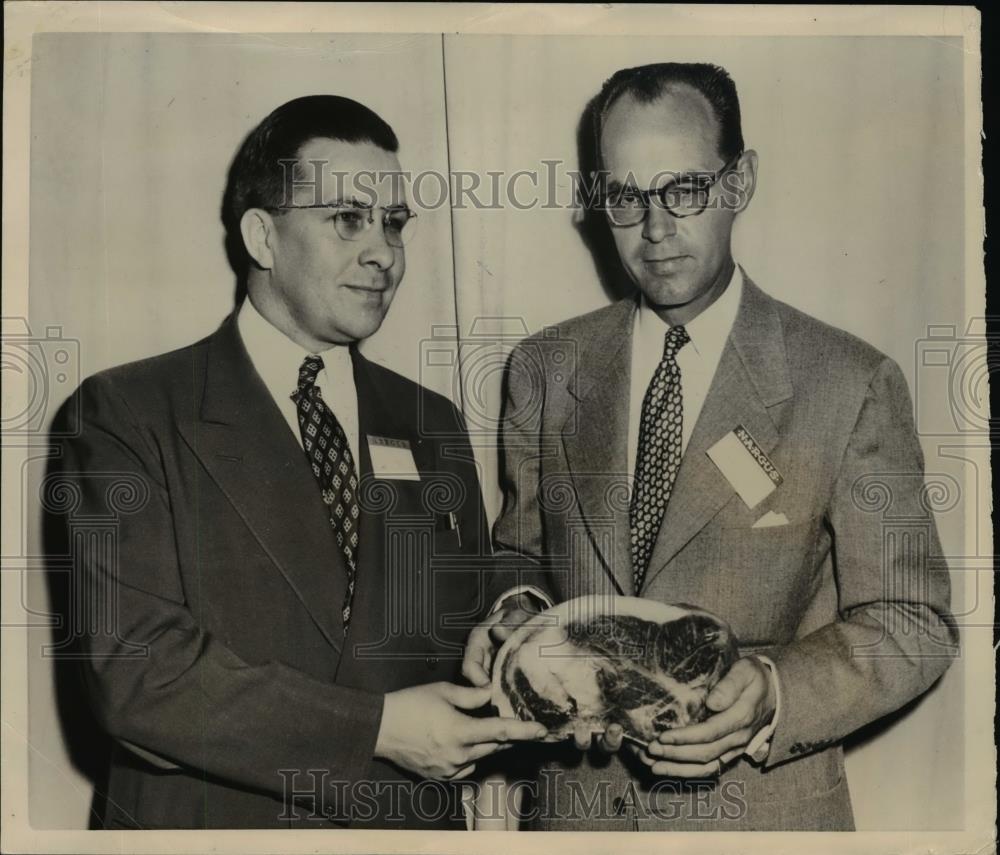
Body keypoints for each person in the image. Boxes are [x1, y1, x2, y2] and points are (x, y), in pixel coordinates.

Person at [463, 62, 958, 831]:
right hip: (577, 816)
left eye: (683, 190)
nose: (654, 230)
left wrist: (773, 689)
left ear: (740, 181)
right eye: (626, 197)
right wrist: (515, 622)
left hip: (763, 818)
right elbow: (521, 556)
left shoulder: (849, 383)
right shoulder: (545, 368)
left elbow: (914, 619)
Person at [48, 94, 545, 830]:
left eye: (393, 221)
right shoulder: (126, 413)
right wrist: (376, 729)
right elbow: (137, 677)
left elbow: (461, 606)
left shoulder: (429, 422)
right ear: (262, 237)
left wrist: (512, 616)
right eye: (347, 218)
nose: (383, 251)